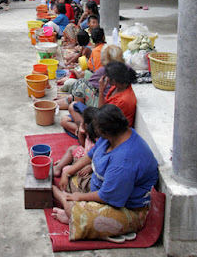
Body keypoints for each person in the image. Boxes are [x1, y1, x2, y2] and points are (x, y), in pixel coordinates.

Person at [52, 104, 159, 243]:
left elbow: (108, 196)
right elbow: (90, 155)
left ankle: (61, 199)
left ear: (105, 131)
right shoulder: (112, 135)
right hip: (100, 185)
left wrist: (78, 197)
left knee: (81, 212)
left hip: (127, 208)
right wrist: (67, 174)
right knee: (71, 174)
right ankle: (71, 208)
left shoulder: (124, 161)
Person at [54, 107, 97, 178]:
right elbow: (83, 145)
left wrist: (91, 167)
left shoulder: (99, 141)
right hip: (85, 154)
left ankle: (64, 166)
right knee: (72, 148)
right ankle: (58, 168)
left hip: (88, 162)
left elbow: (97, 157)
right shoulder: (89, 133)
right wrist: (80, 132)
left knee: (66, 170)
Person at [99, 61, 137, 127]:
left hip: (113, 129)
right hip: (106, 117)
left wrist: (101, 91)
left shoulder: (123, 100)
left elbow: (101, 117)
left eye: (108, 77)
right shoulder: (116, 87)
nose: (106, 79)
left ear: (113, 80)